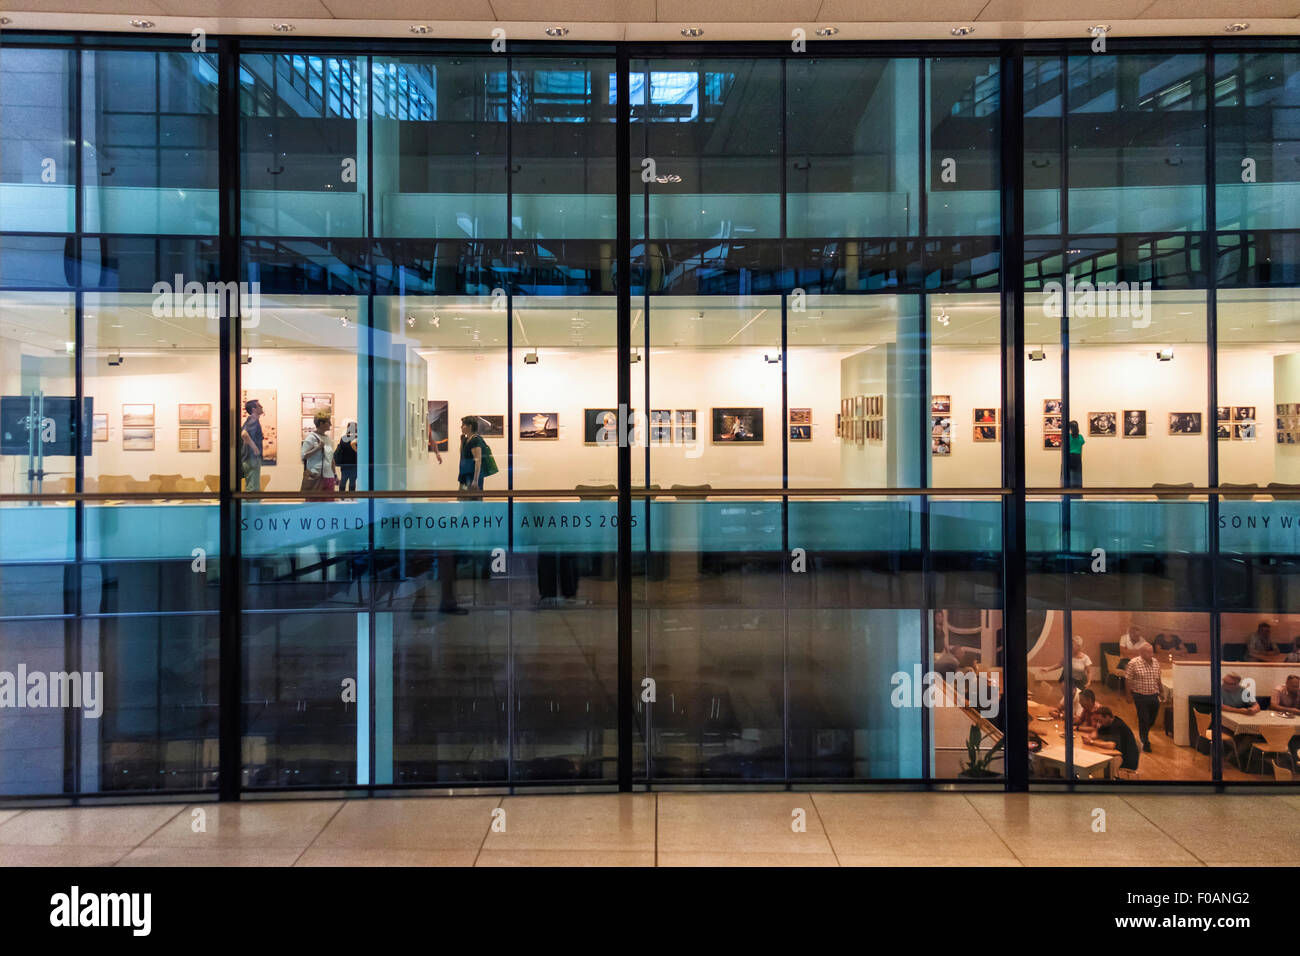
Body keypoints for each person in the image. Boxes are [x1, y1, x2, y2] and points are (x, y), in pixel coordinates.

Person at [1124, 642, 1162, 753]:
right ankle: (1145, 741)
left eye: (1151, 651)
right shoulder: (1133, 663)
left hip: (1154, 695)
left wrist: (1162, 690)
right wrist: (1128, 695)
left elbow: (1158, 678)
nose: (1150, 654)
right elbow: (1128, 680)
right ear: (1141, 653)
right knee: (1144, 719)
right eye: (1147, 652)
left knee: (1152, 719)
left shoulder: (1156, 662)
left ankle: (1144, 733)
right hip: (1140, 696)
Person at [1087, 706, 1141, 772]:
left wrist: (1091, 742)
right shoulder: (1107, 723)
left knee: (1098, 765)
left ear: (1107, 716)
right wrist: (1090, 737)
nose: (1099, 723)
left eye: (1100, 720)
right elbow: (1097, 733)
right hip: (1117, 756)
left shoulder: (1118, 725)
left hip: (1127, 761)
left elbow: (1111, 745)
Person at [300, 408, 337, 492]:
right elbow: (303, 455)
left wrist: (335, 474)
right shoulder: (311, 437)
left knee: (329, 503)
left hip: (329, 476)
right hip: (315, 476)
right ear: (321, 423)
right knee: (315, 502)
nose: (330, 424)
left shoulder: (328, 438)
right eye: (328, 422)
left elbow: (331, 459)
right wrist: (317, 448)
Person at [457, 415, 497, 493]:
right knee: (463, 500)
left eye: (463, 425)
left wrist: (475, 480)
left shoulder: (476, 440)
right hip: (464, 474)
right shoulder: (465, 439)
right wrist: (461, 442)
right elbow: (462, 455)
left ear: (470, 427)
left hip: (472, 476)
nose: (461, 427)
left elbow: (478, 461)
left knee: (473, 500)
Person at [240, 398, 264, 492]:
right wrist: (255, 448)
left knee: (251, 487)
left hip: (249, 459)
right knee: (253, 489)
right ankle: (251, 507)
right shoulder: (253, 419)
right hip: (252, 459)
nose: (261, 407)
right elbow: (244, 434)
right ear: (254, 409)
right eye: (259, 405)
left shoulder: (250, 420)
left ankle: (250, 506)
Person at [333, 421, 360, 494]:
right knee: (352, 481)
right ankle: (352, 497)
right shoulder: (358, 438)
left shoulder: (344, 438)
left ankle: (342, 497)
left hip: (345, 463)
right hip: (354, 463)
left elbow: (342, 448)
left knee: (343, 480)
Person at [1065, 420, 1084, 487]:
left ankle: (1067, 493)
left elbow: (1063, 450)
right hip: (1077, 457)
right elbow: (1081, 450)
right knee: (1078, 477)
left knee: (1067, 477)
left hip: (1068, 457)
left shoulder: (1067, 437)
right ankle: (1077, 493)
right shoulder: (1081, 437)